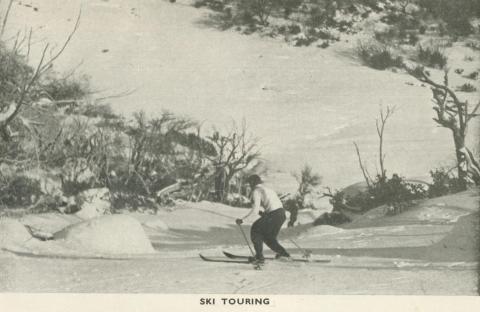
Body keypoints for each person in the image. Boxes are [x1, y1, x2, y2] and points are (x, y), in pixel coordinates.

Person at [235, 174, 291, 263]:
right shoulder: (268, 189)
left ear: (253, 183)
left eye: (250, 183)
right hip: (281, 214)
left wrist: (242, 220)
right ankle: (283, 254)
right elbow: (274, 205)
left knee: (255, 230)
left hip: (273, 215)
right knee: (269, 238)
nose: (249, 186)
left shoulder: (256, 191)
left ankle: (259, 257)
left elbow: (255, 210)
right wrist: (265, 214)